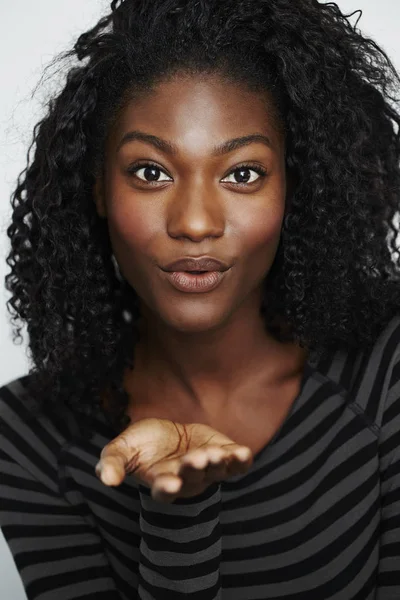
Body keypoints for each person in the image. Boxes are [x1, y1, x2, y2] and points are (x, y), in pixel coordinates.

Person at [1, 0, 400, 598]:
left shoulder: (387, 359)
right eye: (150, 172)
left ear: (297, 184)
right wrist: (178, 519)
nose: (194, 223)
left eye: (242, 174)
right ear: (97, 187)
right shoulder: (29, 436)